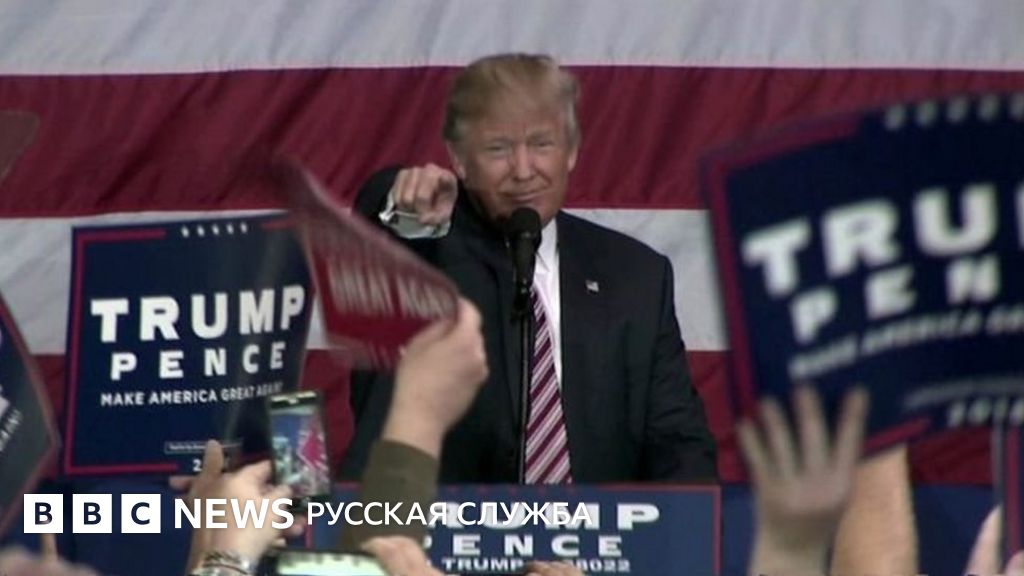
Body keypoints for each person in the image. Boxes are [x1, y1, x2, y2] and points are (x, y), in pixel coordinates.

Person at [344, 52, 716, 484]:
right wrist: (404, 204)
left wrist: (688, 521)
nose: (523, 171)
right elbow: (377, 216)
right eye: (498, 149)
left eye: (541, 144)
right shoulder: (426, 251)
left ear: (571, 151)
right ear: (460, 161)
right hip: (433, 524)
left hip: (598, 527)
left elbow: (678, 442)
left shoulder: (636, 277)